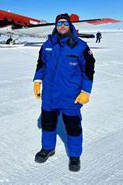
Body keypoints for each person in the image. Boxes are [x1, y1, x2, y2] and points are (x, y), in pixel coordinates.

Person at [32, 13, 95, 172]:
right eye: (59, 23)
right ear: (55, 25)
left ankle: (74, 156)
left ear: (70, 25)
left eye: (65, 23)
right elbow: (41, 64)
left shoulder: (80, 46)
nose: (62, 26)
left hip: (70, 96)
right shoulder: (47, 44)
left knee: (73, 127)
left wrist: (86, 91)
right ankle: (48, 148)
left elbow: (88, 70)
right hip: (50, 95)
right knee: (47, 124)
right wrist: (37, 81)